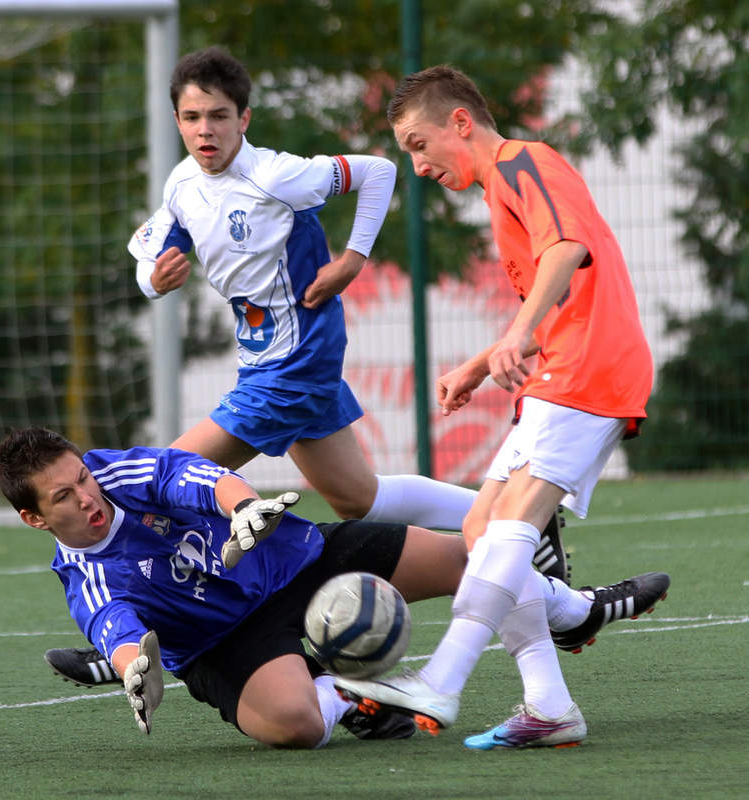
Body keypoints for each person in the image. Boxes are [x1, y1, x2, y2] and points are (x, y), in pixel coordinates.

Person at [38, 46, 568, 687]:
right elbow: (146, 257)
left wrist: (353, 258)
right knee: (357, 497)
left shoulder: (278, 176)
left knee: (159, 476)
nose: (205, 129)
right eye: (191, 116)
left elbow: (376, 172)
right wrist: (155, 280)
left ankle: (126, 643)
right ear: (177, 120)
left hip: (293, 364)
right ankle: (521, 520)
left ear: (245, 119)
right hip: (265, 364)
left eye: (219, 115)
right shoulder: (183, 185)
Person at [332, 66, 670, 750]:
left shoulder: (524, 162)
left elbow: (568, 249)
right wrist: (487, 362)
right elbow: (559, 286)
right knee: (485, 530)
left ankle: (442, 680)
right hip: (562, 368)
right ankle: (549, 703)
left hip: (589, 369)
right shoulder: (500, 190)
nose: (419, 166)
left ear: (461, 122)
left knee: (512, 525)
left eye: (419, 145)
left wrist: (516, 336)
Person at [0, 426, 592, 748]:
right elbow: (114, 630)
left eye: (82, 479)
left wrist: (245, 507)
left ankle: (571, 610)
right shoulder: (85, 579)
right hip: (226, 642)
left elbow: (190, 477)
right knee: (296, 728)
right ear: (35, 519)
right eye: (63, 497)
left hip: (293, 562)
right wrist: (132, 671)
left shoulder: (117, 472)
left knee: (474, 558)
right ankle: (352, 693)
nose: (87, 496)